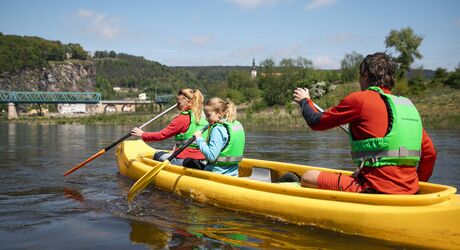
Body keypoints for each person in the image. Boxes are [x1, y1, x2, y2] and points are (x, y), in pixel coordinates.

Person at [293, 52, 437, 194]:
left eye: (360, 76)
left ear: (366, 74)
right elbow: (430, 154)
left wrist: (305, 100)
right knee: (356, 173)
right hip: (411, 190)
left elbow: (316, 122)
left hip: (373, 188)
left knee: (308, 176)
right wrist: (416, 186)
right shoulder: (408, 107)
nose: (359, 80)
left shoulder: (360, 100)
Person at [130, 89, 208, 166]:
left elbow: (161, 135)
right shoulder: (205, 117)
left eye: (179, 103)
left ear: (188, 102)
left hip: (183, 159)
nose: (177, 105)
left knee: (157, 154)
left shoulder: (183, 118)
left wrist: (142, 134)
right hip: (203, 159)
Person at [183, 97, 245, 176]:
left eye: (208, 115)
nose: (206, 119)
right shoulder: (237, 124)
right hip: (233, 174)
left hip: (216, 174)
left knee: (187, 161)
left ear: (219, 113)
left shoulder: (217, 129)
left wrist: (199, 139)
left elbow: (211, 156)